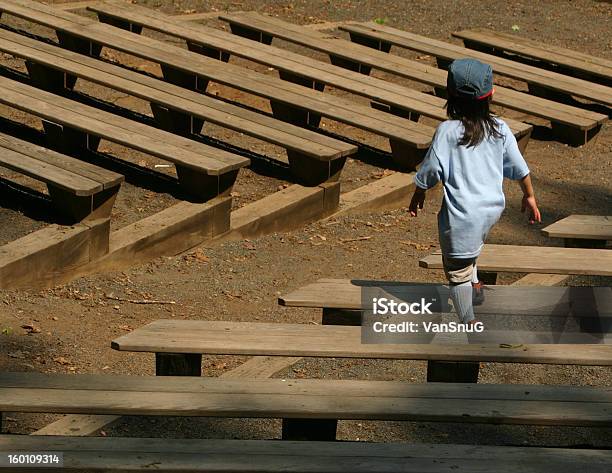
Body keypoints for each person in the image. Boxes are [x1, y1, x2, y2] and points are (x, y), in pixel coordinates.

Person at [408, 58, 541, 325]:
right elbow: (519, 168)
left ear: (449, 95)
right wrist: (529, 195)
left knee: (456, 270)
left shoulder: (446, 132)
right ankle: (476, 283)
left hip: (461, 217)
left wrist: (419, 191)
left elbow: (431, 168)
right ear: (490, 95)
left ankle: (467, 321)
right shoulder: (501, 129)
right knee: (472, 247)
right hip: (490, 211)